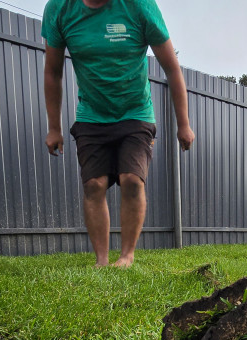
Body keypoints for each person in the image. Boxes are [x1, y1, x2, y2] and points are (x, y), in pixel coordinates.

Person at [42, 0, 194, 268]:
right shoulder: (60, 8)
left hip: (136, 112)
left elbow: (172, 67)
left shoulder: (139, 5)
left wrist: (184, 124)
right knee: (94, 184)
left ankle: (126, 256)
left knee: (132, 179)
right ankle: (101, 260)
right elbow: (53, 72)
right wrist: (54, 127)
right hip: (92, 114)